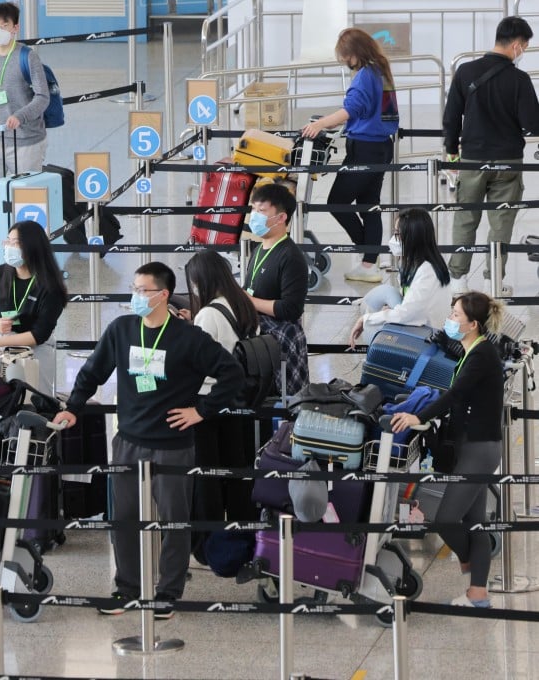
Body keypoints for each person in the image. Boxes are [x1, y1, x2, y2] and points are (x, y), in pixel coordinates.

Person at [52, 262, 243, 618]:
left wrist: (202, 410)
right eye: (134, 288)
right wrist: (74, 407)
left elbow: (232, 373)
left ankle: (167, 593)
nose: (136, 296)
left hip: (172, 445)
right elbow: (92, 372)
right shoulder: (122, 330)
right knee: (123, 519)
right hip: (128, 441)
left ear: (163, 295)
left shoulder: (188, 337)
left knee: (174, 521)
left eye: (143, 290)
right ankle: (126, 589)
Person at [391, 292, 505, 608]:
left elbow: (455, 395)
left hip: (479, 450)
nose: (450, 319)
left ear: (473, 324)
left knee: (445, 519)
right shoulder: (474, 349)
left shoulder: (481, 355)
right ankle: (477, 594)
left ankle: (469, 562)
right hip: (475, 447)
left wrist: (418, 416)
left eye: (455, 315)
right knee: (474, 522)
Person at [442, 16, 539, 296]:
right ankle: (492, 281)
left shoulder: (465, 71)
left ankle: (458, 281)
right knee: (501, 223)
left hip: (472, 159)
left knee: (465, 218)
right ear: (518, 46)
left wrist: (452, 152)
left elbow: (451, 116)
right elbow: (533, 123)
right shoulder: (519, 80)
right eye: (526, 47)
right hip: (508, 160)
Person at [301, 27, 399, 284]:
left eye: (345, 56)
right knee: (369, 204)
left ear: (355, 53)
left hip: (365, 149)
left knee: (337, 201)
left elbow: (351, 109)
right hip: (381, 146)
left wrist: (320, 124)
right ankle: (369, 263)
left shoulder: (366, 75)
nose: (344, 61)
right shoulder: (381, 69)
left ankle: (368, 253)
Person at [182, 250, 261, 563]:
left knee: (207, 476)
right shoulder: (242, 304)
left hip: (207, 401)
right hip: (238, 400)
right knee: (237, 469)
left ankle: (206, 545)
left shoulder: (208, 315)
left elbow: (197, 360)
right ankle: (242, 536)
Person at [0, 2, 50, 230]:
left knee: (25, 200)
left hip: (27, 141)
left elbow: (43, 97)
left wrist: (20, 115)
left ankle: (25, 246)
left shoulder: (28, 57)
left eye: (4, 24)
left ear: (15, 27)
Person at [0, 220, 67, 395]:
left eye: (15, 243)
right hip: (1, 342)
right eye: (8, 241)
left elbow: (39, 335)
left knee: (32, 396)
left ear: (32, 247)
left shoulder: (49, 286)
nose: (9, 247)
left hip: (35, 348)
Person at [349, 207, 452, 347]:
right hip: (420, 322)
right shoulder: (416, 262)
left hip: (427, 334)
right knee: (383, 294)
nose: (393, 239)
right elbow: (410, 306)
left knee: (372, 327)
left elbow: (407, 314)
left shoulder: (427, 270)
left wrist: (367, 319)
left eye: (397, 233)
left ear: (413, 236)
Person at [244, 182, 309, 398]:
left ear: (281, 217)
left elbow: (291, 308)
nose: (254, 216)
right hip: (258, 339)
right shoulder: (258, 249)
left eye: (262, 211)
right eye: (253, 210)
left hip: (280, 341)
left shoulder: (291, 257)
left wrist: (249, 301)